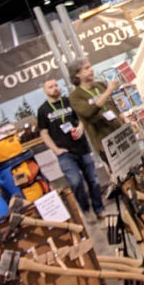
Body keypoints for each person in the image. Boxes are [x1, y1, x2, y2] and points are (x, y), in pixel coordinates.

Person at [37, 77, 106, 219]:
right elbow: (44, 133)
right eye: (50, 87)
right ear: (44, 91)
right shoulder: (43, 110)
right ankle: (85, 210)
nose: (55, 88)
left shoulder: (69, 101)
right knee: (76, 182)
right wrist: (56, 150)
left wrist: (80, 127)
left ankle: (99, 209)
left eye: (56, 85)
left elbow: (82, 117)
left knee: (93, 180)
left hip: (82, 147)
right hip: (64, 153)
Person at [68, 59, 122, 161]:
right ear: (77, 74)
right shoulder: (75, 96)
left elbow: (113, 106)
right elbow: (88, 111)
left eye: (90, 67)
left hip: (121, 131)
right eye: (86, 68)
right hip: (105, 141)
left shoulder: (100, 85)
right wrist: (108, 91)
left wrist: (125, 119)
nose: (91, 70)